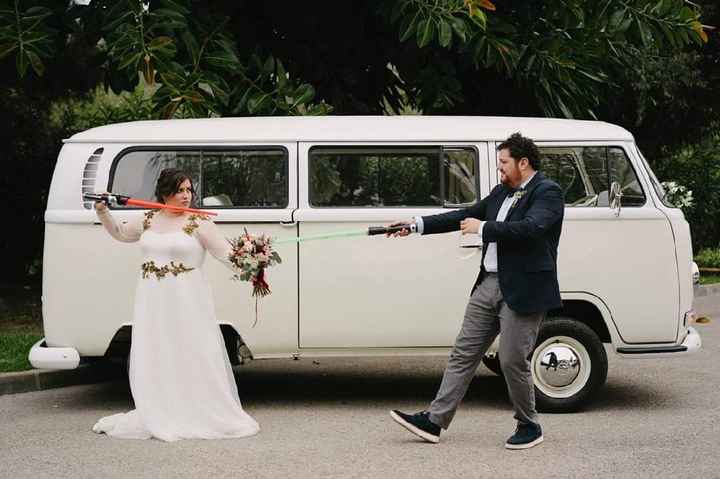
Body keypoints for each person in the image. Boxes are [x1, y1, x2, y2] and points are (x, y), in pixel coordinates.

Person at [388, 133, 564, 450]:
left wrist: (482, 228)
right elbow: (462, 216)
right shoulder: (501, 192)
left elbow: (531, 229)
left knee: (512, 360)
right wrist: (415, 225)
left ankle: (529, 424)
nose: (499, 169)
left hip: (524, 288)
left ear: (523, 163)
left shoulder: (547, 192)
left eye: (503, 163)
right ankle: (434, 421)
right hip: (489, 284)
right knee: (463, 353)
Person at [92, 168, 260, 441]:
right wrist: (103, 213)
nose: (186, 196)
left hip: (188, 299)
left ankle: (197, 409)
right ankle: (161, 407)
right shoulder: (147, 219)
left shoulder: (200, 222)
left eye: (189, 190)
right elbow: (122, 234)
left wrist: (252, 258)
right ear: (164, 193)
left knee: (190, 347)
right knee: (159, 349)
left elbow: (225, 254)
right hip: (153, 300)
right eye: (180, 190)